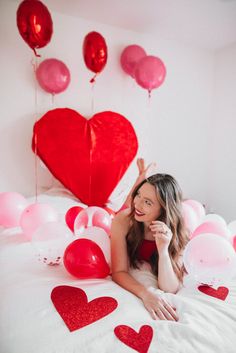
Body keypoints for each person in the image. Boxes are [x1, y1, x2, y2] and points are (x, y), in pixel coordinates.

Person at [111, 158, 189, 321]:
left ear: (163, 209)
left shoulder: (177, 231)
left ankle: (142, 176)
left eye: (147, 202)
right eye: (138, 195)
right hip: (126, 217)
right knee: (125, 208)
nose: (138, 204)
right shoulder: (124, 219)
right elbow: (118, 272)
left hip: (164, 229)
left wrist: (163, 250)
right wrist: (146, 294)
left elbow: (170, 288)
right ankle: (142, 176)